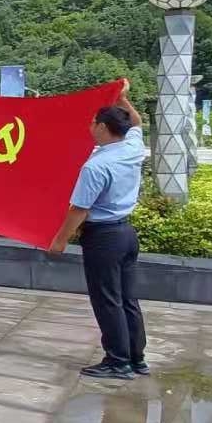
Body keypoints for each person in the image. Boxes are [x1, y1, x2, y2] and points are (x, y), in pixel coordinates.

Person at [48, 82, 149, 380]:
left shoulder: (97, 166)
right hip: (126, 233)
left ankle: (117, 361)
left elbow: (79, 209)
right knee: (127, 298)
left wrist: (59, 241)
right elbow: (137, 122)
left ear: (104, 127)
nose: (90, 127)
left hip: (104, 238)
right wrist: (124, 99)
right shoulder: (132, 148)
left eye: (93, 123)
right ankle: (136, 358)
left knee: (107, 300)